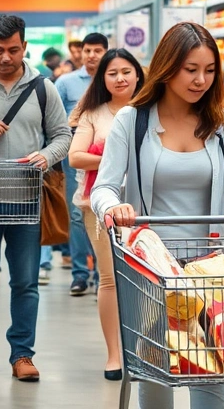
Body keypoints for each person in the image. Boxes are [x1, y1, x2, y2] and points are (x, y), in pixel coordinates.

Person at [91, 21, 224, 409]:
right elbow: (103, 186)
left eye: (209, 70)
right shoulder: (133, 122)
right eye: (191, 69)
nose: (201, 80)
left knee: (211, 366)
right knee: (155, 367)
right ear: (167, 68)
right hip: (150, 266)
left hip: (211, 268)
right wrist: (111, 206)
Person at [0, 15, 72, 382]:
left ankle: (22, 354)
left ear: (25, 48)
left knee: (25, 281)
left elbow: (62, 135)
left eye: (13, 49)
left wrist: (47, 156)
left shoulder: (42, 88)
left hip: (27, 200)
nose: (6, 57)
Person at [68, 48, 143, 380]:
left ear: (138, 74)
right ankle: (114, 355)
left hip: (146, 207)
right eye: (112, 73)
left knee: (147, 278)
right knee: (110, 278)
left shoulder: (151, 110)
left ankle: (145, 350)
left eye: (126, 71)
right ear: (102, 78)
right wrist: (116, 161)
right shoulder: (93, 115)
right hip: (99, 208)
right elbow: (75, 157)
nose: (120, 78)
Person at [41, 32, 109, 294]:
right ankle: (81, 273)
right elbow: (53, 120)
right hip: (75, 160)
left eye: (97, 50)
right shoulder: (66, 83)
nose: (91, 55)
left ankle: (102, 273)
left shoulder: (113, 79)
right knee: (78, 216)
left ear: (105, 52)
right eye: (87, 50)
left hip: (108, 160)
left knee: (105, 215)